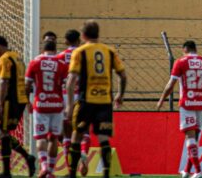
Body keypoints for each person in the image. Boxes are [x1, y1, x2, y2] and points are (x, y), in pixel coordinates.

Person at [156, 41, 202, 178]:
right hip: (201, 104)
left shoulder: (180, 62)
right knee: (194, 139)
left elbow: (171, 84)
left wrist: (161, 100)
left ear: (185, 49)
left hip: (187, 104)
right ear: (195, 49)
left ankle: (198, 170)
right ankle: (187, 171)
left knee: (190, 138)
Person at [65, 21, 127, 178]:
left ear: (83, 35)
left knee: (76, 136)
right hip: (104, 102)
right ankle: (106, 174)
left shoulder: (80, 52)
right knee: (103, 139)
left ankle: (72, 174)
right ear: (98, 33)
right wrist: (120, 95)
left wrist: (70, 105)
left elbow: (71, 81)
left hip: (86, 102)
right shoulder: (109, 51)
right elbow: (123, 76)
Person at [0, 35, 36, 178]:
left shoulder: (4, 59)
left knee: (2, 133)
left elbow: (4, 82)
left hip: (10, 100)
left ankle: (7, 172)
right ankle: (27, 158)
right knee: (4, 133)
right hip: (20, 100)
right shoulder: (17, 57)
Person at [25, 39, 68, 178]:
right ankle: (50, 171)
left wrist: (27, 102)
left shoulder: (35, 62)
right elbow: (66, 85)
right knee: (54, 138)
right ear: (55, 50)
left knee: (41, 138)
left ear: (43, 50)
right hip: (57, 105)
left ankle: (43, 167)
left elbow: (27, 85)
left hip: (41, 104)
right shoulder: (61, 63)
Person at [56, 29, 90, 176]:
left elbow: (56, 78)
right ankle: (84, 154)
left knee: (67, 135)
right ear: (79, 40)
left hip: (65, 96)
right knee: (84, 131)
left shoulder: (60, 57)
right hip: (82, 96)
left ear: (65, 41)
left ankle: (71, 170)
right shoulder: (85, 55)